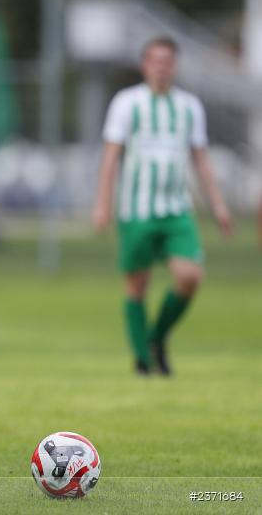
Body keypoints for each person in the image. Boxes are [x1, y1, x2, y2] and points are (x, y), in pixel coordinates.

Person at [93, 36, 232, 376]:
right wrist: (103, 203)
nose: (161, 66)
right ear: (144, 65)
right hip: (136, 209)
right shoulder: (127, 103)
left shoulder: (188, 107)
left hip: (176, 208)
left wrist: (218, 205)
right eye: (155, 60)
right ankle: (143, 361)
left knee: (189, 276)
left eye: (167, 60)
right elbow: (111, 157)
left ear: (174, 65)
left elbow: (200, 159)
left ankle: (156, 338)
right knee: (137, 284)